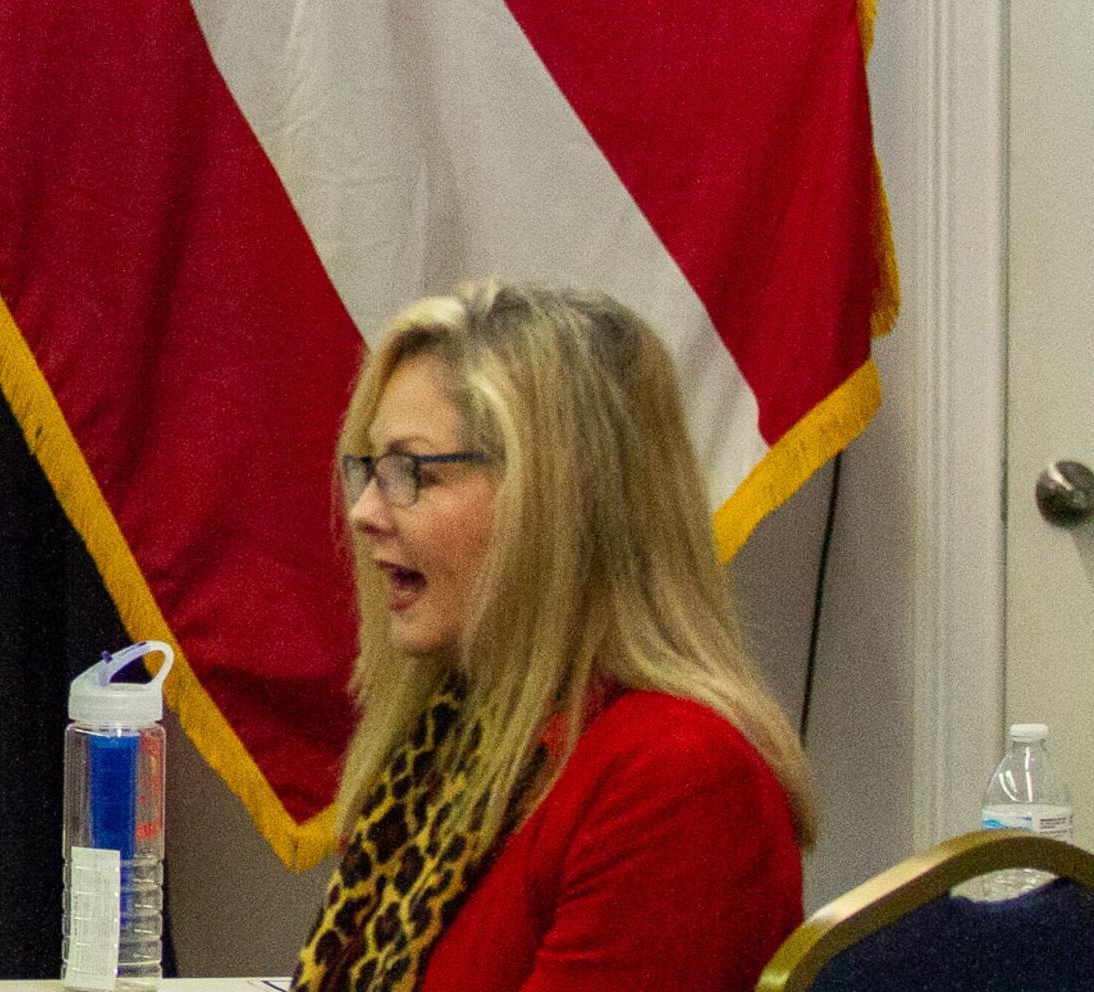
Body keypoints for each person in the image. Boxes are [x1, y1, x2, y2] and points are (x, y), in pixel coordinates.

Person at [296, 283, 814, 992]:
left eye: (408, 472)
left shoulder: (679, 779)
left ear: (553, 500)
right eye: (368, 469)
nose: (363, 512)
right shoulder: (451, 740)